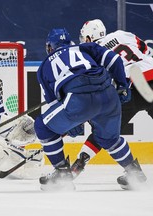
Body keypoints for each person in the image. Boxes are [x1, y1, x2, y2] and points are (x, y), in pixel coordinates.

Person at [34, 27, 146, 191]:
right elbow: (114, 60)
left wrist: (71, 123)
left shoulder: (44, 66)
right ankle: (134, 173)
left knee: (43, 127)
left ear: (50, 47)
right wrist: (122, 85)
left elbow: (54, 105)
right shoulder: (84, 47)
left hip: (79, 98)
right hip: (108, 95)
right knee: (108, 139)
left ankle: (62, 173)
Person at [71, 19, 153, 183]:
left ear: (88, 38)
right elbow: (144, 49)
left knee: (104, 133)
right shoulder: (122, 34)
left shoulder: (91, 53)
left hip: (131, 86)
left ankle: (77, 166)